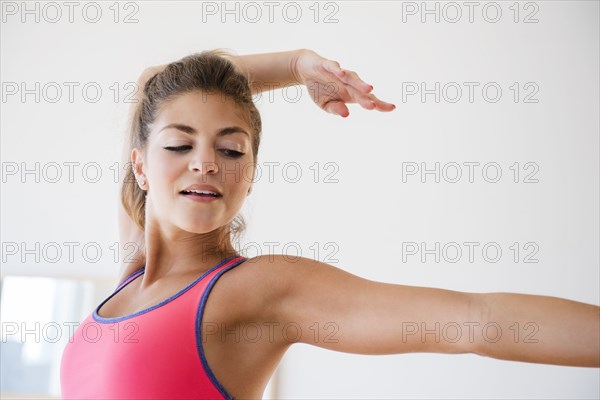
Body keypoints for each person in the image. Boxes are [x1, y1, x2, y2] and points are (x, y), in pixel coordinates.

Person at [60, 49, 599, 399]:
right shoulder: (132, 276)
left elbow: (474, 321)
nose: (205, 162)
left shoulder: (253, 290)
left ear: (249, 176)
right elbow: (153, 80)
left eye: (231, 149)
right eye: (179, 144)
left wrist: (293, 73)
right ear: (140, 165)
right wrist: (294, 67)